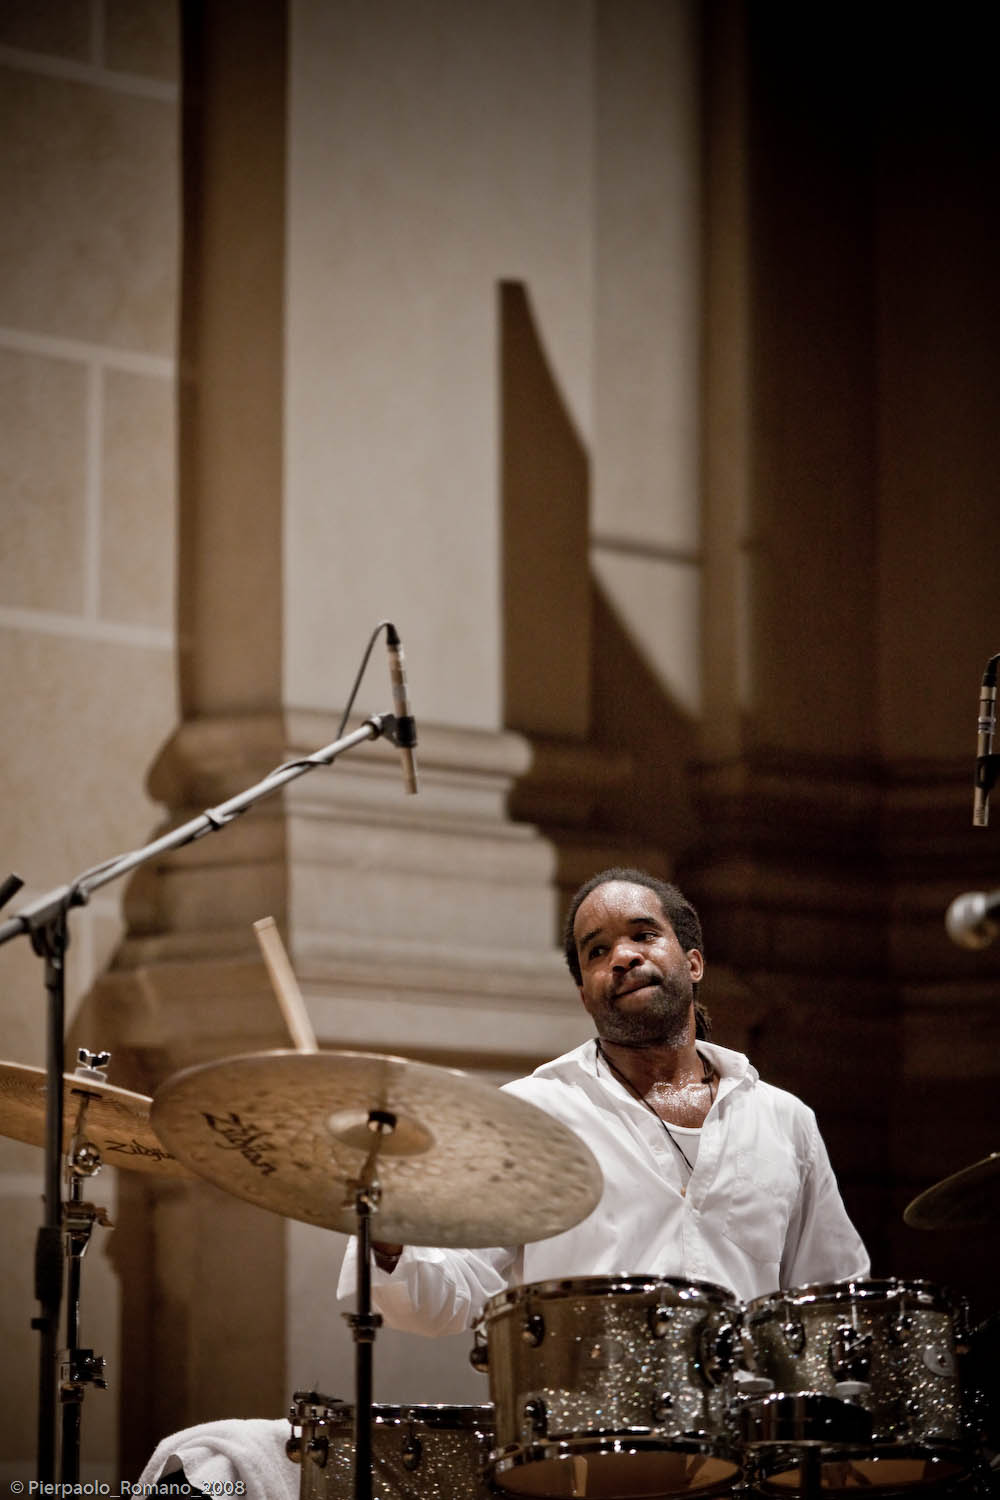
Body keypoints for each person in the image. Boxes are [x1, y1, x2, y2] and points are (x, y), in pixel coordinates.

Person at [337, 867, 869, 1334]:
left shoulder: (783, 1120)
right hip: (583, 1414)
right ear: (584, 995)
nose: (623, 957)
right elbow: (445, 1298)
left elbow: (832, 1297)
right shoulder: (531, 1116)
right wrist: (389, 1236)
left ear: (694, 963)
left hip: (744, 1416)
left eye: (644, 934)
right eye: (597, 951)